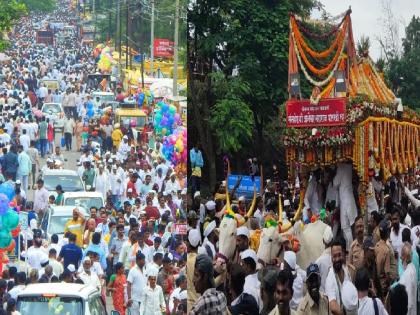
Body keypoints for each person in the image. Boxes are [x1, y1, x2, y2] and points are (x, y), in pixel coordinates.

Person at [325, 238, 355, 315]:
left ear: (343, 254)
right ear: (331, 257)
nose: (337, 259)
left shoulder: (346, 271)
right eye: (334, 256)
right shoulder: (330, 278)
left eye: (339, 255)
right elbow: (333, 307)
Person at [396, 243, 417, 315]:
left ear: (404, 258)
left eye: (401, 258)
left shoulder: (407, 274)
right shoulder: (413, 268)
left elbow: (409, 301)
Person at [315, 225, 333, 293]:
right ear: (333, 240)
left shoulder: (318, 261)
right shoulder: (337, 258)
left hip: (323, 296)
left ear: (323, 241)